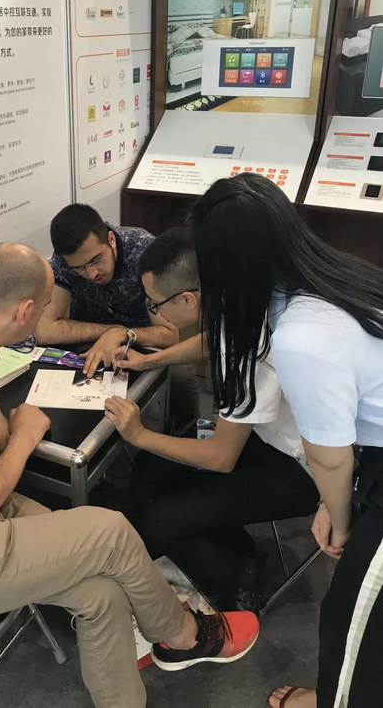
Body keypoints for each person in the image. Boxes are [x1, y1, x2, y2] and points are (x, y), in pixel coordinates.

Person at [0, 242, 259, 708]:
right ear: (24, 311)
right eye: (45, 307)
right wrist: (24, 437)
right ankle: (182, 635)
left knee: (102, 593)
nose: (46, 317)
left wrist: (2, 423)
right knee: (110, 532)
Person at [188, 173, 383, 708]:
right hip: (373, 457)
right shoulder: (337, 277)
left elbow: (328, 456)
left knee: (350, 620)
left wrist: (340, 519)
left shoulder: (302, 336)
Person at [104, 227, 319, 612]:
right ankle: (228, 547)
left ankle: (241, 575)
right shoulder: (233, 296)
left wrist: (138, 434)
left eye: (154, 304)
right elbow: (212, 338)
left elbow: (222, 458)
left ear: (187, 299)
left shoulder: (250, 349)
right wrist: (151, 360)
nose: (153, 311)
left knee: (160, 518)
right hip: (262, 435)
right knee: (151, 468)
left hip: (301, 469)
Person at [36, 202, 199, 433]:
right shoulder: (66, 261)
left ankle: (186, 439)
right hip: (90, 343)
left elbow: (169, 335)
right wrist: (111, 332)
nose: (91, 274)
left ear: (111, 240)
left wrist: (123, 334)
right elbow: (45, 330)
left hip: (144, 342)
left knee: (180, 378)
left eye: (96, 260)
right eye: (79, 269)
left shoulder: (142, 251)